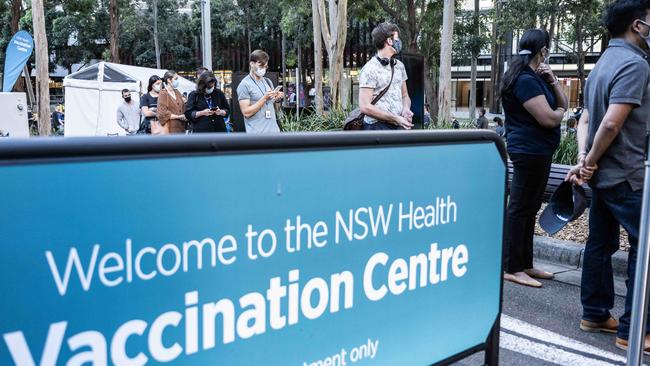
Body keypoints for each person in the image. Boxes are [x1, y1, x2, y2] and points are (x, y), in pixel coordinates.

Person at [566, 0, 650, 351]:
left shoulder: (603, 63)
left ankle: (596, 313)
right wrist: (591, 160)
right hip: (626, 175)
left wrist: (586, 160)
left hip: (602, 175)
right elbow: (612, 122)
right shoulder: (635, 64)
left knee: (600, 243)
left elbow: (587, 119)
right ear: (637, 25)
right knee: (645, 248)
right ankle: (633, 331)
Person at [501, 28, 568, 288]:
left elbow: (562, 103)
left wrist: (553, 81)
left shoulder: (536, 77)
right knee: (519, 208)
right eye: (547, 49)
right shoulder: (524, 80)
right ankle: (511, 267)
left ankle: (525, 264)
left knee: (529, 208)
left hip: (538, 151)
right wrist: (561, 112)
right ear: (543, 50)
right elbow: (548, 117)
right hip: (528, 151)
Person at [358, 22, 413, 130]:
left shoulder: (399, 66)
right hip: (375, 127)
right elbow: (364, 106)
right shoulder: (370, 69)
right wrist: (395, 118)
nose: (399, 41)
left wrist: (406, 109)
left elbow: (405, 95)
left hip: (398, 125)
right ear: (389, 40)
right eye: (397, 38)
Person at [237, 50, 284, 133]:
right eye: (261, 65)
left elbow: (275, 108)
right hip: (257, 135)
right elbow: (246, 113)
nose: (263, 69)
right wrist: (264, 98)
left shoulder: (268, 81)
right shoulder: (244, 85)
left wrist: (277, 99)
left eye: (265, 66)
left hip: (274, 131)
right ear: (252, 64)